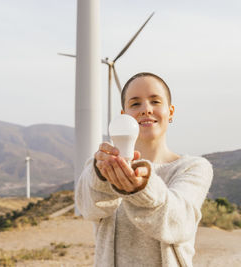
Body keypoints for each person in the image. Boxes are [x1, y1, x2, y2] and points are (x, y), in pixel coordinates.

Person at [75, 72, 213, 267]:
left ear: (170, 112)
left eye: (155, 101)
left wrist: (142, 189)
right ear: (124, 116)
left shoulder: (193, 168)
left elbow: (180, 223)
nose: (146, 109)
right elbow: (88, 208)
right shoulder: (101, 165)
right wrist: (101, 177)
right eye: (135, 103)